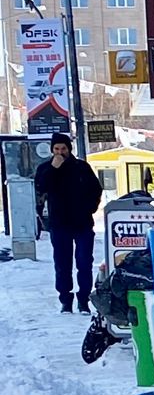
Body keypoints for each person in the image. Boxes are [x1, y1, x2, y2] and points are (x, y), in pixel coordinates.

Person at [33, 132, 103, 315]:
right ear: (52, 150)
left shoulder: (81, 167)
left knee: (84, 262)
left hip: (82, 223)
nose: (60, 152)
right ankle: (65, 299)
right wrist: (53, 169)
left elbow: (96, 189)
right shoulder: (45, 168)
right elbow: (40, 187)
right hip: (59, 224)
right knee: (62, 264)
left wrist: (90, 208)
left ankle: (84, 299)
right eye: (56, 149)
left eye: (63, 148)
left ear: (69, 149)